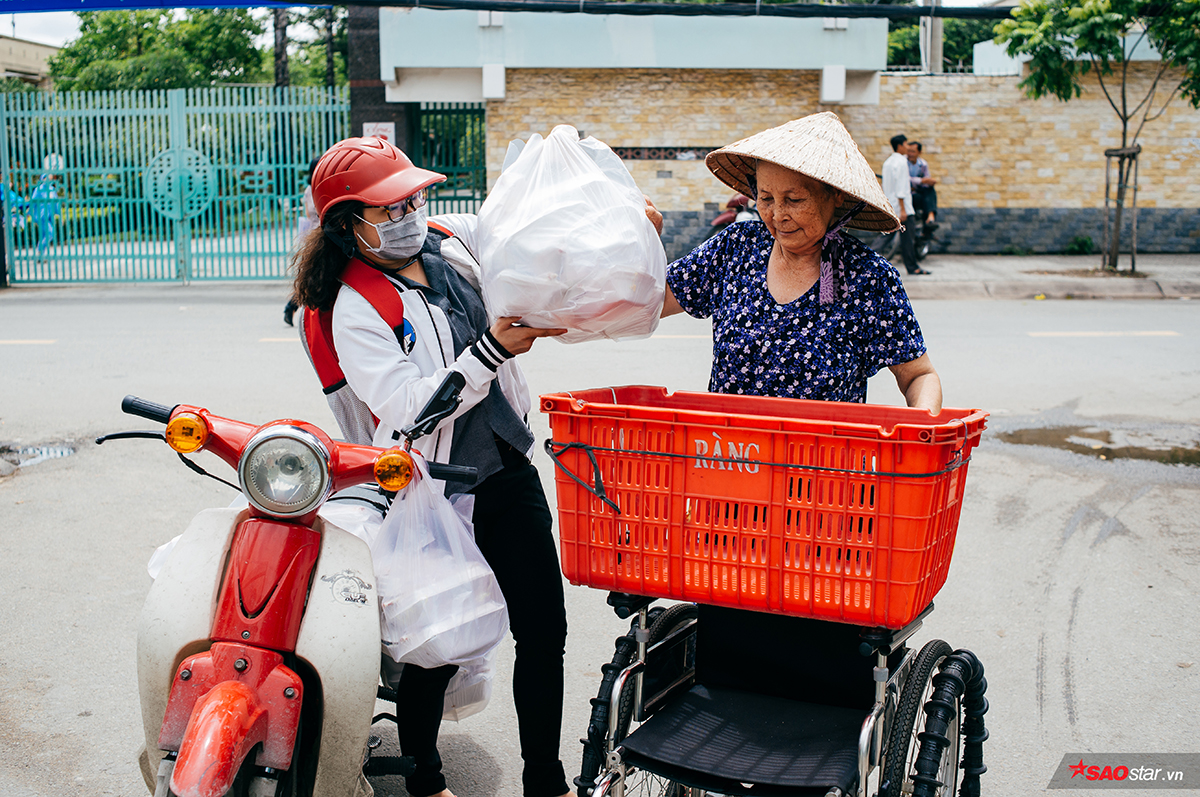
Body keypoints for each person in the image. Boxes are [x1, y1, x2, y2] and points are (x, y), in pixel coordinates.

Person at [290, 137, 572, 797]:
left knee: (544, 627)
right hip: (431, 489)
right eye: (388, 208)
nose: (410, 213)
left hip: (506, 465)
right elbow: (410, 408)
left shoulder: (452, 240)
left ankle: (546, 779)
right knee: (435, 643)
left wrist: (619, 218)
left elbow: (525, 225)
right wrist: (491, 349)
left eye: (412, 197)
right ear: (347, 225)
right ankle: (425, 778)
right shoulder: (353, 307)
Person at [663, 112, 942, 412]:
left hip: (825, 458)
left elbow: (919, 377)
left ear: (835, 195)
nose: (777, 215)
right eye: (766, 198)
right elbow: (651, 299)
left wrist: (921, 429)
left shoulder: (870, 278)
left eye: (794, 200)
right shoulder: (736, 248)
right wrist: (641, 240)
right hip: (732, 454)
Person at [874, 133, 929, 276]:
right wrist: (903, 209)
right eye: (906, 144)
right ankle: (912, 267)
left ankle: (869, 259)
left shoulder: (888, 162)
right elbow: (901, 187)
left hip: (891, 205)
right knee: (907, 239)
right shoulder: (901, 162)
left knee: (886, 235)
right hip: (903, 207)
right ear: (900, 145)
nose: (907, 147)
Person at [284, 157, 321, 326]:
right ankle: (293, 305)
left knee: (312, 276)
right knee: (315, 277)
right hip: (322, 238)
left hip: (311, 238)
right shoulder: (323, 188)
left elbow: (308, 214)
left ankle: (292, 306)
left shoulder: (308, 190)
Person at [907, 141, 938, 230]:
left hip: (917, 191)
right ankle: (929, 221)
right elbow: (905, 179)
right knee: (924, 201)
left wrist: (928, 182)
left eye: (913, 151)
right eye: (909, 151)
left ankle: (930, 217)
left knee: (930, 190)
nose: (910, 154)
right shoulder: (903, 163)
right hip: (908, 194)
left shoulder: (923, 164)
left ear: (919, 152)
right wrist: (921, 181)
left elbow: (926, 180)